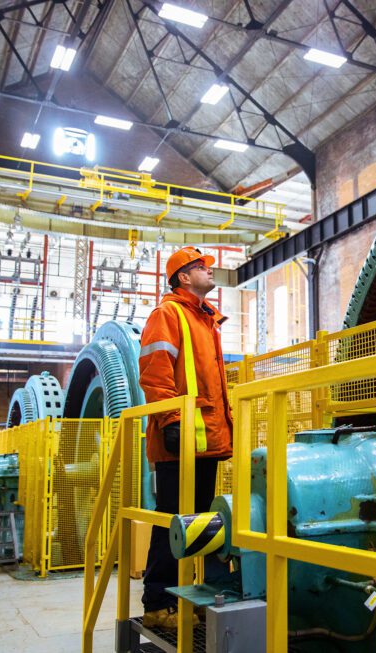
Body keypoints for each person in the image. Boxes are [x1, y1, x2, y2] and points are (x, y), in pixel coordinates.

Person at [138, 246, 233, 629]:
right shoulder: (168, 314)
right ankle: (157, 603)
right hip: (179, 440)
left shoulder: (206, 320)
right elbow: (155, 372)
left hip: (206, 439)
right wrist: (172, 421)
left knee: (200, 523)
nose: (209, 272)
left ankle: (185, 599)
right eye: (201, 267)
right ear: (183, 277)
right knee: (172, 522)